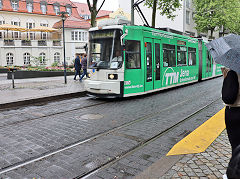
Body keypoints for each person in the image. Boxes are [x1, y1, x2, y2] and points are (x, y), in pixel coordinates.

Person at [221, 67, 240, 179]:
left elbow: (227, 96)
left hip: (233, 112)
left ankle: (235, 172)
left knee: (235, 147)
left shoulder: (231, 69)